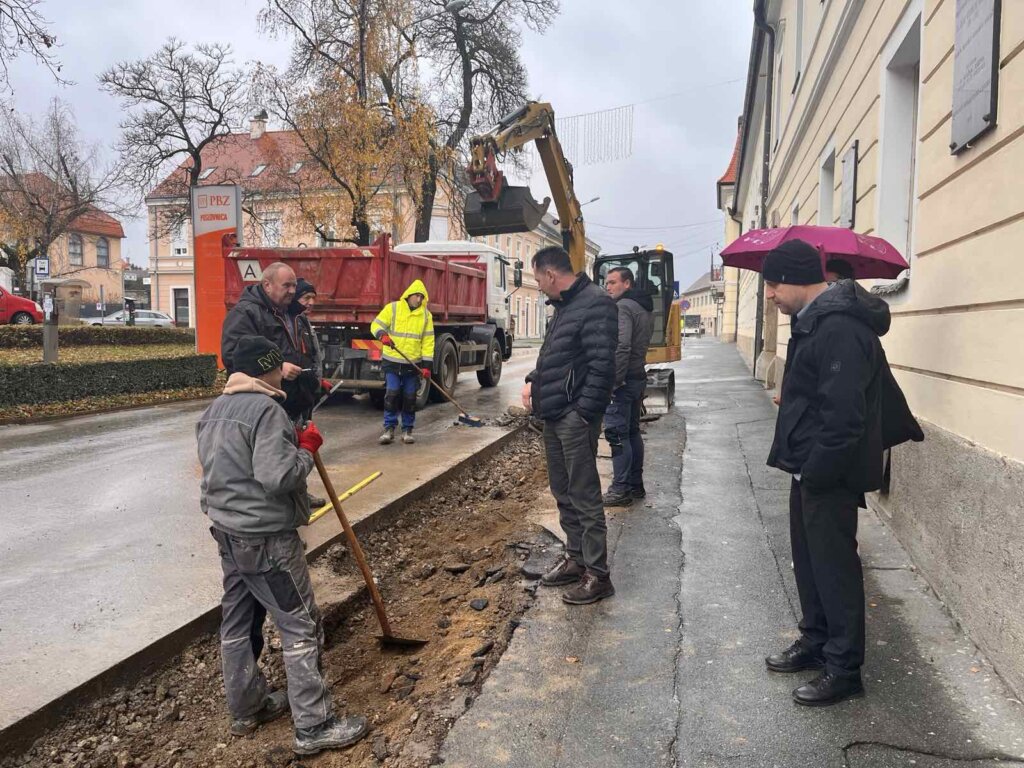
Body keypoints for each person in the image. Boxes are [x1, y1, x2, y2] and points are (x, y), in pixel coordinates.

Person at [196, 335, 368, 755]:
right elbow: (277, 477)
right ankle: (314, 726)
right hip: (266, 539)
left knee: (237, 623)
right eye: (279, 365)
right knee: (300, 624)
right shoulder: (266, 411)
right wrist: (305, 449)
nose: (284, 372)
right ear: (268, 368)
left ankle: (246, 708)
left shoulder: (215, 409)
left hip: (228, 533)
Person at [761, 238, 890, 707]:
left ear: (795, 280)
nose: (770, 294)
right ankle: (816, 640)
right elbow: (820, 396)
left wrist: (815, 470)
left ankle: (843, 668)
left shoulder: (837, 327)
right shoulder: (813, 323)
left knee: (834, 568)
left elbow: (843, 418)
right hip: (809, 467)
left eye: (773, 284)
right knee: (810, 561)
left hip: (828, 471)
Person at [521, 246, 618, 605]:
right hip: (554, 413)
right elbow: (556, 356)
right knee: (563, 491)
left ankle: (598, 574)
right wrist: (533, 379)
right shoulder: (564, 308)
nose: (538, 286)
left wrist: (583, 413)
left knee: (584, 494)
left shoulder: (596, 303)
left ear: (550, 275)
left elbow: (603, 367)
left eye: (537, 279)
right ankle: (576, 559)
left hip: (574, 417)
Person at [221, 263, 321, 423]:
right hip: (263, 410)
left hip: (295, 409)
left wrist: (313, 383)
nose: (292, 291)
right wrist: (279, 367)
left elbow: (305, 355)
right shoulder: (245, 313)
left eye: (294, 286)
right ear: (267, 285)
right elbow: (233, 358)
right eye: (286, 285)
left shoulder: (296, 315)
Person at [602, 267, 654, 507]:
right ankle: (635, 485)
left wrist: (613, 382)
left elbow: (621, 346)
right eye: (606, 282)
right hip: (637, 377)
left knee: (617, 434)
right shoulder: (643, 307)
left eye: (613, 282)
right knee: (632, 432)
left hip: (622, 382)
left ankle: (620, 489)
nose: (608, 287)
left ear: (627, 284)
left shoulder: (623, 307)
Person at [371, 279, 434, 445]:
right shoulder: (393, 308)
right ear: (409, 295)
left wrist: (427, 366)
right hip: (392, 362)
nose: (419, 300)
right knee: (391, 395)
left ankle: (407, 429)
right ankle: (389, 429)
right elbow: (375, 324)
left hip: (412, 365)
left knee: (410, 397)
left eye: (422, 297)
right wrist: (382, 335)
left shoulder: (426, 316)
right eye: (416, 296)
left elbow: (428, 342)